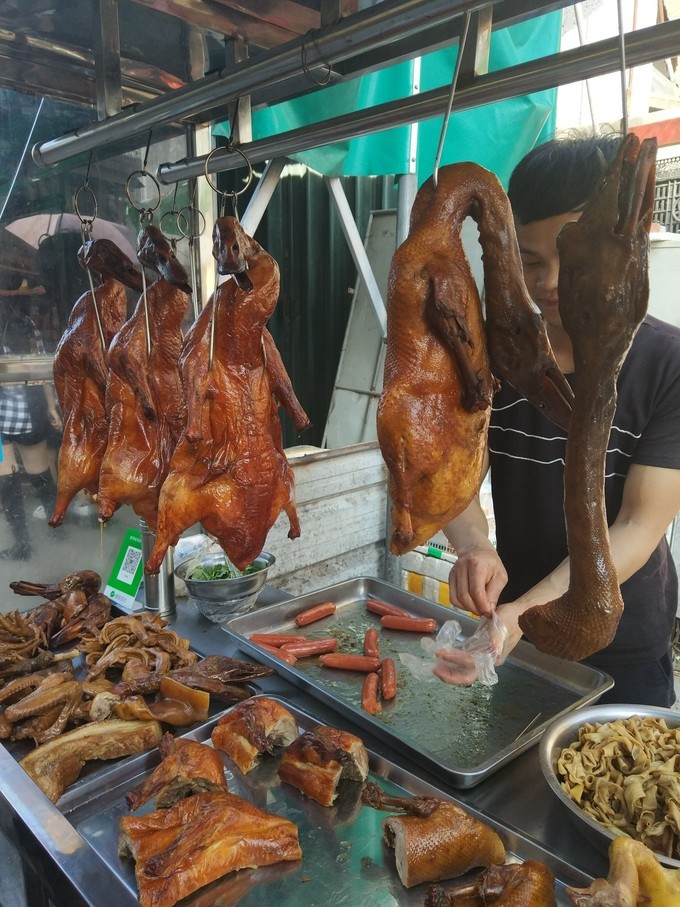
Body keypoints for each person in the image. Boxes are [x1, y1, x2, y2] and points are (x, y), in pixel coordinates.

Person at [439, 132, 680, 708]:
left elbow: (639, 525)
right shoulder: (490, 353)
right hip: (515, 629)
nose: (548, 283)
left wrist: (525, 611)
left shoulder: (667, 363)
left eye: (571, 261)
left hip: (624, 639)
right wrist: (474, 544)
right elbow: (451, 473)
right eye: (529, 260)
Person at [0, 297, 62, 560]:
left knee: (17, 476)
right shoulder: (27, 325)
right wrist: (50, 406)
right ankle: (51, 530)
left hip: (16, 419)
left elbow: (40, 370)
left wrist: (50, 407)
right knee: (31, 475)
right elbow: (42, 371)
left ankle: (27, 541)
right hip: (26, 417)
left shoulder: (25, 326)